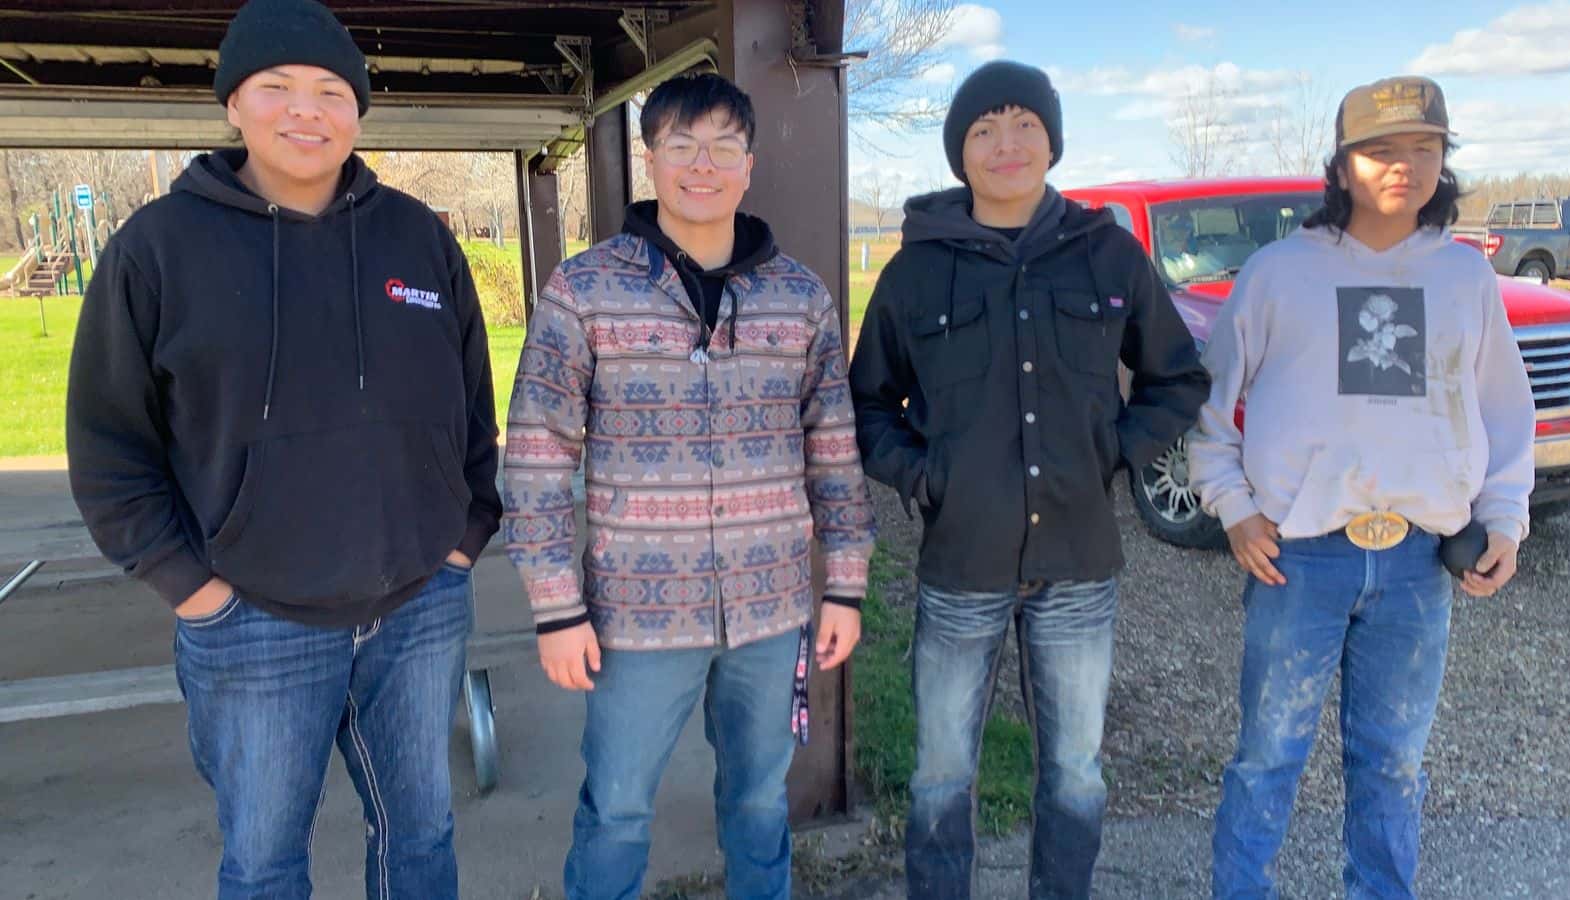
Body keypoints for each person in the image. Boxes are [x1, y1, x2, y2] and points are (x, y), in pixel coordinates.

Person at [64, 1, 501, 896]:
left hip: (417, 608)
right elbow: (109, 448)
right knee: (264, 864)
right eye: (277, 87)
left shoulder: (420, 238)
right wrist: (195, 593)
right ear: (234, 103)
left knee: (420, 838)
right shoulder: (156, 250)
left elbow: (472, 409)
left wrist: (465, 540)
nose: (306, 110)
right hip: (251, 621)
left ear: (358, 111)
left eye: (331, 91)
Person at [502, 72, 876, 900]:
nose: (701, 166)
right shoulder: (585, 289)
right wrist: (556, 606)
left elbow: (835, 453)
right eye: (682, 146)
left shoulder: (801, 297)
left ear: (749, 165)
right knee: (617, 810)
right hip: (636, 615)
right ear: (651, 158)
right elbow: (536, 451)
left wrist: (844, 588)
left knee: (756, 799)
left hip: (770, 609)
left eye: (723, 149)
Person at [848, 60, 1210, 900]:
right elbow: (867, 404)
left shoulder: (1107, 255)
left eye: (1023, 125)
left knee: (1076, 775)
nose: (1005, 143)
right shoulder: (915, 274)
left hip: (1080, 566)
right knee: (941, 775)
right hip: (961, 564)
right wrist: (923, 475)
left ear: (1051, 140)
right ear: (959, 153)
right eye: (983, 129)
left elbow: (1178, 380)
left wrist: (1113, 452)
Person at [1191, 76, 1534, 899]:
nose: (1404, 166)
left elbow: (1503, 410)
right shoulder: (1278, 272)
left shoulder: (1464, 280)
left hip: (1419, 564)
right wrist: (1234, 509)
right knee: (1269, 756)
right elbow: (1207, 408)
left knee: (1392, 764)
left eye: (1425, 148)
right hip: (1299, 558)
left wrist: (1505, 519)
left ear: (1443, 164)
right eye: (1381, 150)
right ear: (1341, 166)